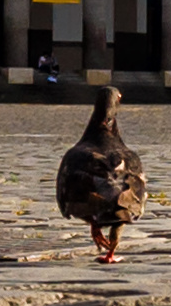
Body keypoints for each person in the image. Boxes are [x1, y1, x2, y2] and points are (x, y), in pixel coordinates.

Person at [54, 88, 143, 266]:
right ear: (117, 101)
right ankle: (111, 253)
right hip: (123, 203)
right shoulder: (129, 157)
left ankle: (96, 221)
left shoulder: (76, 155)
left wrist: (93, 222)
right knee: (120, 205)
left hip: (88, 202)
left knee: (106, 198)